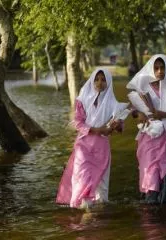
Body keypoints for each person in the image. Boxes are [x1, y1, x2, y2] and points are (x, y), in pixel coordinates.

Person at [56, 68, 129, 209]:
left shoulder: (114, 104)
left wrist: (117, 125)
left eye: (103, 79)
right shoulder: (82, 100)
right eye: (96, 79)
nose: (99, 82)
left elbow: (120, 128)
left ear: (108, 82)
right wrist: (98, 130)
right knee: (82, 177)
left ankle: (97, 214)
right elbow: (78, 122)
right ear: (92, 80)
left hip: (101, 148)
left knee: (101, 183)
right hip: (83, 146)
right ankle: (84, 210)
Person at [126, 54, 166, 204]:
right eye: (156, 68)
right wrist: (139, 114)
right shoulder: (143, 88)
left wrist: (164, 114)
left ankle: (165, 212)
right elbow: (132, 109)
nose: (160, 71)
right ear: (151, 69)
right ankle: (150, 214)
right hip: (149, 138)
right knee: (150, 174)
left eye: (162, 68)